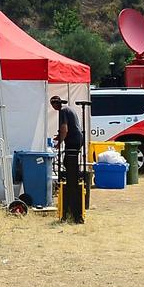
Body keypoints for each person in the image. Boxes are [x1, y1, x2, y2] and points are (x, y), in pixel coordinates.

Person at [50, 94, 84, 224]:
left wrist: (59, 142)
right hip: (77, 140)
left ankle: (71, 204)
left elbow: (65, 129)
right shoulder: (69, 109)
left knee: (69, 167)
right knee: (68, 164)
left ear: (55, 104)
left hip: (73, 142)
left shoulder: (63, 111)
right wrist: (59, 137)